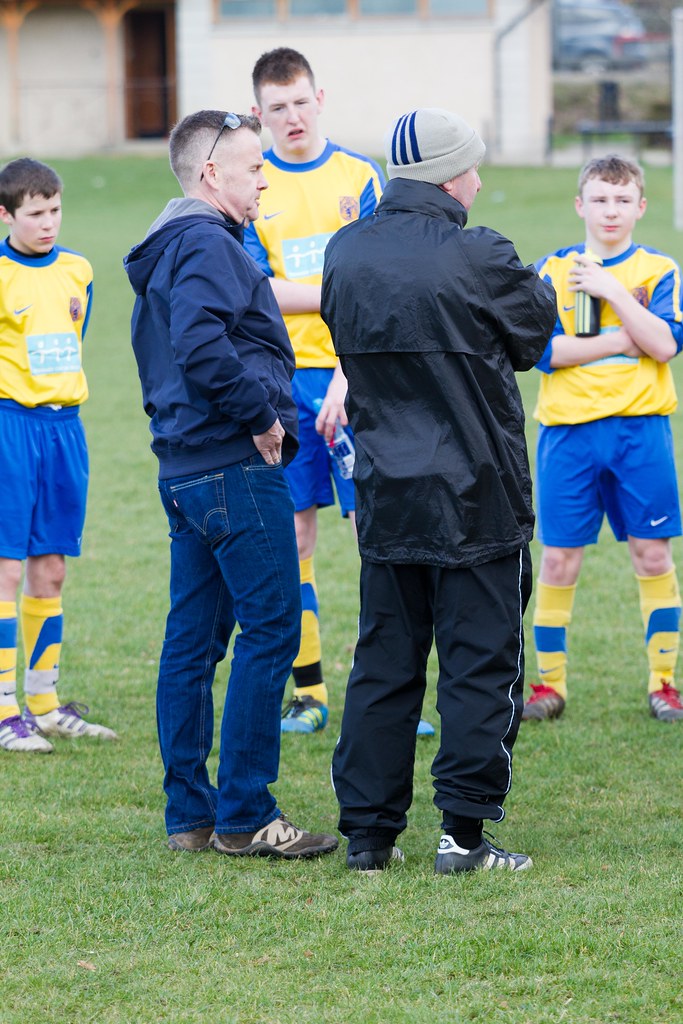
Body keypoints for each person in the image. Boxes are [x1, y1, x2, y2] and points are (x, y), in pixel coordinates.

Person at [321, 108, 557, 873]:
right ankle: (463, 835)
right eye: (475, 168)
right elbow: (533, 335)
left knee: (384, 663)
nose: (480, 181)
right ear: (450, 176)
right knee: (479, 663)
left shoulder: (345, 250)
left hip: (387, 493)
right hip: (476, 495)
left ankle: (368, 836)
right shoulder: (479, 252)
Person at [123, 109, 338, 858]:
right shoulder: (208, 242)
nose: (263, 179)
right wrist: (261, 418)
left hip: (184, 469)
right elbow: (200, 341)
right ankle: (246, 815)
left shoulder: (173, 245)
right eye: (253, 167)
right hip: (230, 465)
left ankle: (190, 814)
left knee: (193, 641)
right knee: (272, 629)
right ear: (212, 173)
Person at [245, 49, 443, 736]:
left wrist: (348, 368)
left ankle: (392, 691)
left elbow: (383, 283)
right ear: (258, 114)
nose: (291, 117)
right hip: (279, 384)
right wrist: (339, 293)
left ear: (318, 97)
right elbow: (256, 290)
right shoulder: (252, 180)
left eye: (300, 102)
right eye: (277, 108)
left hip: (362, 376)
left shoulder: (359, 176)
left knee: (377, 535)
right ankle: (309, 692)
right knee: (293, 536)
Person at [524, 154, 683, 724]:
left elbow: (665, 345)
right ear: (580, 205)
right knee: (560, 559)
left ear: (640, 206)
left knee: (652, 553)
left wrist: (614, 290)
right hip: (567, 436)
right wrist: (623, 340)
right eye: (599, 199)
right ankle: (550, 686)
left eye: (621, 200)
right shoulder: (550, 271)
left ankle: (664, 682)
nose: (610, 210)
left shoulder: (658, 269)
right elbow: (544, 353)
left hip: (641, 433)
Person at [0, 157, 117, 754]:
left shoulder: (78, 269)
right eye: (35, 214)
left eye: (55, 211)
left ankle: (43, 704)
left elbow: (74, 342)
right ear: (6, 215)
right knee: (7, 569)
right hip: (9, 428)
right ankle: (3, 710)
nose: (49, 223)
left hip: (65, 429)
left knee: (52, 568)